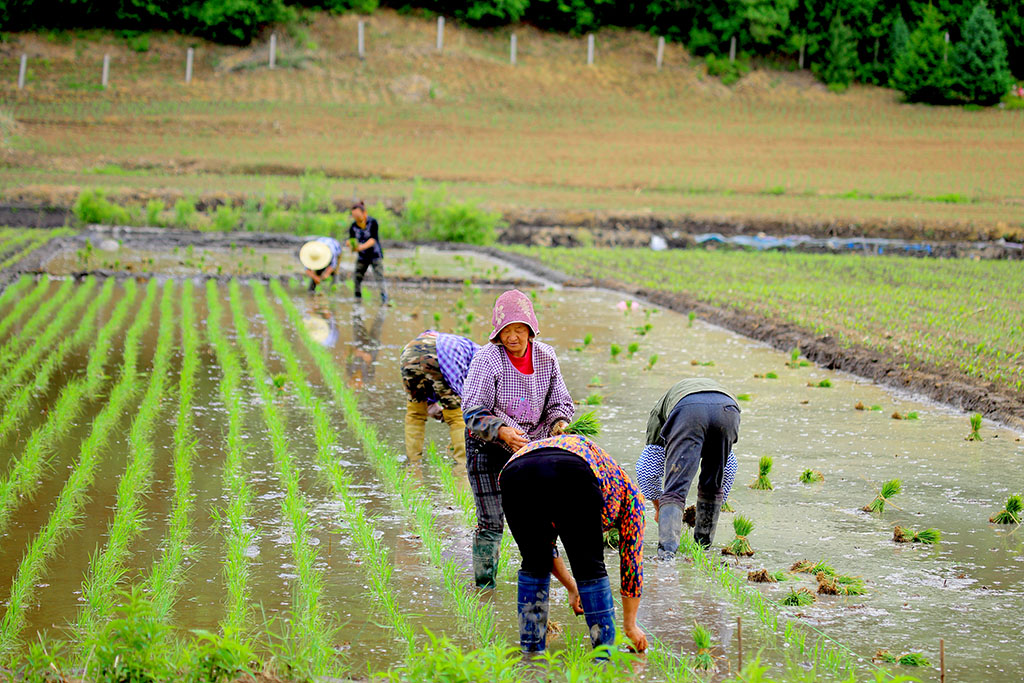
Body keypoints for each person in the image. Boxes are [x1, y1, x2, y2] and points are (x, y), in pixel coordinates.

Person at [461, 289, 575, 589]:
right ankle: (484, 587)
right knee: (491, 521)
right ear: (498, 333)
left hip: (530, 450)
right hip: (487, 447)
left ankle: (540, 579)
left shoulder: (546, 357)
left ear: (530, 329)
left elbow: (559, 404)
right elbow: (472, 410)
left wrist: (559, 424)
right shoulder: (487, 359)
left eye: (519, 330)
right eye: (506, 331)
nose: (513, 337)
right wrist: (502, 431)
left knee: (539, 518)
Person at [500, 434, 648, 654]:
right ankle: (605, 658)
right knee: (589, 567)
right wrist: (630, 625)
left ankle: (531, 657)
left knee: (534, 561)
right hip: (571, 469)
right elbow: (632, 563)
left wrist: (572, 587)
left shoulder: (607, 477)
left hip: (515, 471)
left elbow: (547, 548)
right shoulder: (633, 498)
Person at [635, 378, 740, 558]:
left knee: (675, 487)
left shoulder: (660, 413)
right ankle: (703, 548)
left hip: (688, 412)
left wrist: (660, 507)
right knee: (712, 485)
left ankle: (666, 554)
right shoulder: (712, 397)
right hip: (728, 409)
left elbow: (647, 470)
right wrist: (716, 504)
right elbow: (729, 469)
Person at [400, 330, 479, 463]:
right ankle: (463, 464)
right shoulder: (482, 357)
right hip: (438, 354)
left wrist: (431, 404)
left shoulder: (464, 346)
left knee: (415, 413)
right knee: (456, 416)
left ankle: (413, 462)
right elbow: (471, 398)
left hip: (409, 352)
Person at [348, 201, 387, 304]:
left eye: (358, 215)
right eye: (354, 216)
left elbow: (373, 239)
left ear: (364, 213)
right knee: (357, 277)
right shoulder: (353, 226)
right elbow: (351, 240)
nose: (356, 218)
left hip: (375, 255)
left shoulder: (372, 222)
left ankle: (384, 298)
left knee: (379, 276)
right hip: (362, 257)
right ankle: (357, 298)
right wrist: (350, 245)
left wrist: (361, 247)